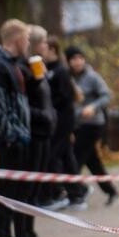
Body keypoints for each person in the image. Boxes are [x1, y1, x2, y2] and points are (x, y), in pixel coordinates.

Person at [0, 19, 36, 237]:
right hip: (10, 141)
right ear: (17, 40)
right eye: (26, 39)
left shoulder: (14, 65)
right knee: (4, 188)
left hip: (21, 138)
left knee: (17, 188)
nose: (28, 44)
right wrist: (15, 134)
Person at [17, 26, 56, 237]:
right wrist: (43, 115)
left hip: (45, 133)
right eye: (43, 43)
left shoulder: (39, 66)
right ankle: (22, 234)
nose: (46, 47)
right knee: (27, 188)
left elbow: (45, 96)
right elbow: (26, 103)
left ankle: (30, 232)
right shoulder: (24, 68)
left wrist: (52, 114)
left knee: (35, 189)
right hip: (34, 134)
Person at [67, 45, 119, 207]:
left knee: (75, 160)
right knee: (93, 162)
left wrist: (93, 107)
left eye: (79, 58)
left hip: (93, 125)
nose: (77, 62)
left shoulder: (92, 77)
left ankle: (78, 191)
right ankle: (112, 192)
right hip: (77, 125)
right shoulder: (68, 79)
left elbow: (106, 95)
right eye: (73, 59)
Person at [40, 36, 81, 212]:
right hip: (54, 120)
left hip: (63, 120)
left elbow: (66, 96)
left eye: (45, 48)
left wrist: (49, 105)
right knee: (66, 157)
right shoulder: (45, 69)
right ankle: (77, 192)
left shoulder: (60, 71)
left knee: (53, 156)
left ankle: (57, 191)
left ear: (53, 50)